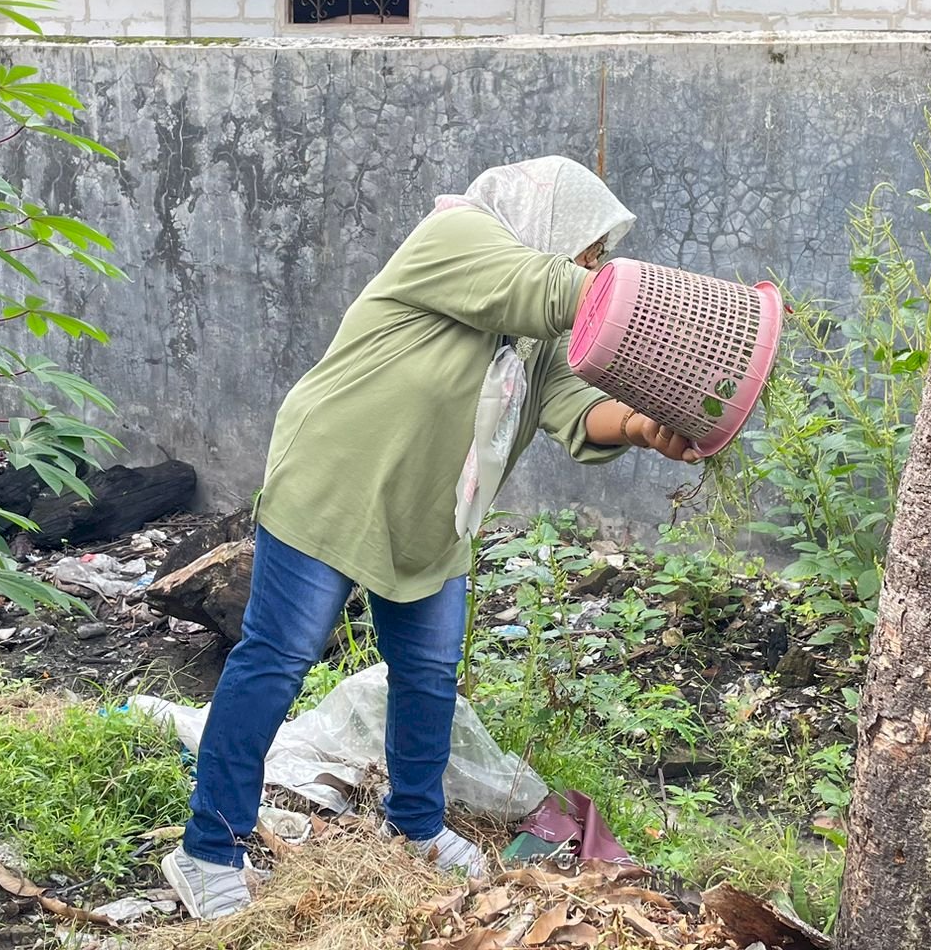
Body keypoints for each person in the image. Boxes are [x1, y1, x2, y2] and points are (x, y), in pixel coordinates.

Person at [162, 156, 698, 919]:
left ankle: (415, 825)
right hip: (336, 483)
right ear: (551, 224)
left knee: (429, 672)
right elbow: (549, 291)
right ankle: (206, 849)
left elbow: (576, 407)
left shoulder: (540, 329)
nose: (592, 266)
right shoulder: (457, 237)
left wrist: (646, 424)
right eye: (590, 249)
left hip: (431, 510)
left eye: (600, 258)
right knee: (278, 662)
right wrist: (661, 313)